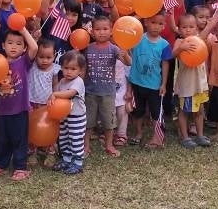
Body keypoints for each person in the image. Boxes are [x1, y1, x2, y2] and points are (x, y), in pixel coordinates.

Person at [0, 26, 38, 180]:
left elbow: (34, 47)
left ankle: (20, 167)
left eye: (18, 44)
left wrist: (23, 30)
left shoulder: (23, 62)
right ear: (3, 45)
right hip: (1, 110)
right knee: (2, 139)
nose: (14, 46)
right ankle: (1, 164)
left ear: (23, 48)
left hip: (20, 110)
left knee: (19, 139)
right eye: (10, 43)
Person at [83, 15, 131, 157]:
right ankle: (86, 146)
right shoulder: (88, 48)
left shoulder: (114, 49)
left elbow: (129, 63)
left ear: (111, 31)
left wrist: (126, 54)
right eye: (98, 29)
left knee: (109, 122)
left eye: (105, 29)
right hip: (90, 92)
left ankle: (109, 145)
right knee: (88, 122)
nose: (101, 32)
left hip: (108, 93)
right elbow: (82, 67)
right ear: (92, 32)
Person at [125, 11, 173, 149]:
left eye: (160, 24)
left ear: (164, 26)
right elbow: (128, 27)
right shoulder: (138, 38)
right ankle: (139, 133)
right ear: (145, 22)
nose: (156, 26)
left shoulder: (164, 45)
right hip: (136, 83)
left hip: (154, 86)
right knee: (137, 111)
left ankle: (157, 137)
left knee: (156, 112)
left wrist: (163, 84)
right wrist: (140, 15)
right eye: (153, 22)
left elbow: (165, 64)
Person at [170, 13, 216, 148]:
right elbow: (171, 55)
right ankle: (185, 137)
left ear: (196, 28)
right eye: (184, 27)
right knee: (184, 111)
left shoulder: (199, 39)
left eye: (191, 27)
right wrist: (180, 48)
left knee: (199, 110)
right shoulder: (179, 42)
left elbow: (209, 28)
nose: (188, 30)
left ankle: (200, 135)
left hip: (200, 85)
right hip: (187, 85)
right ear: (179, 29)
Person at [52, 50, 87, 174]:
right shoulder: (62, 82)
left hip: (76, 117)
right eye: (66, 68)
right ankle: (66, 159)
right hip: (64, 116)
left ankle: (77, 163)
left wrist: (55, 94)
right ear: (61, 67)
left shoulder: (78, 82)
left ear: (80, 70)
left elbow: (70, 93)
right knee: (64, 138)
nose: (69, 71)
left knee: (75, 139)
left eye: (73, 69)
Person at [27, 37, 59, 167]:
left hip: (47, 105)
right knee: (32, 127)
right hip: (32, 103)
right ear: (35, 56)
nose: (45, 60)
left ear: (54, 55)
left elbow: (55, 86)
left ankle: (50, 152)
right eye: (41, 57)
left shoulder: (54, 69)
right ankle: (32, 152)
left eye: (48, 57)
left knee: (49, 128)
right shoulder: (31, 66)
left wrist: (54, 97)